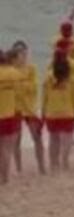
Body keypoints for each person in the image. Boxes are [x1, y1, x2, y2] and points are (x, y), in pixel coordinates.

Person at [41, 49, 74, 174]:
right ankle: (65, 160)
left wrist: (43, 112)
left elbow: (44, 97)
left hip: (51, 113)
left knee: (53, 139)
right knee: (67, 139)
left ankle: (53, 163)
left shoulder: (48, 77)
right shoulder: (72, 79)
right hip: (67, 113)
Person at [7, 42, 43, 176]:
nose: (22, 55)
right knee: (16, 140)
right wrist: (22, 84)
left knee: (37, 137)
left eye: (24, 52)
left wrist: (20, 84)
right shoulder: (10, 69)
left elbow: (33, 87)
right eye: (19, 52)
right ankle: (19, 168)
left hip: (29, 108)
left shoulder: (31, 68)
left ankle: (41, 166)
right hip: (15, 108)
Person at [0, 51, 20, 184]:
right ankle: (5, 178)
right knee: (6, 149)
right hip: (10, 114)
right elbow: (19, 96)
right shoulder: (14, 73)